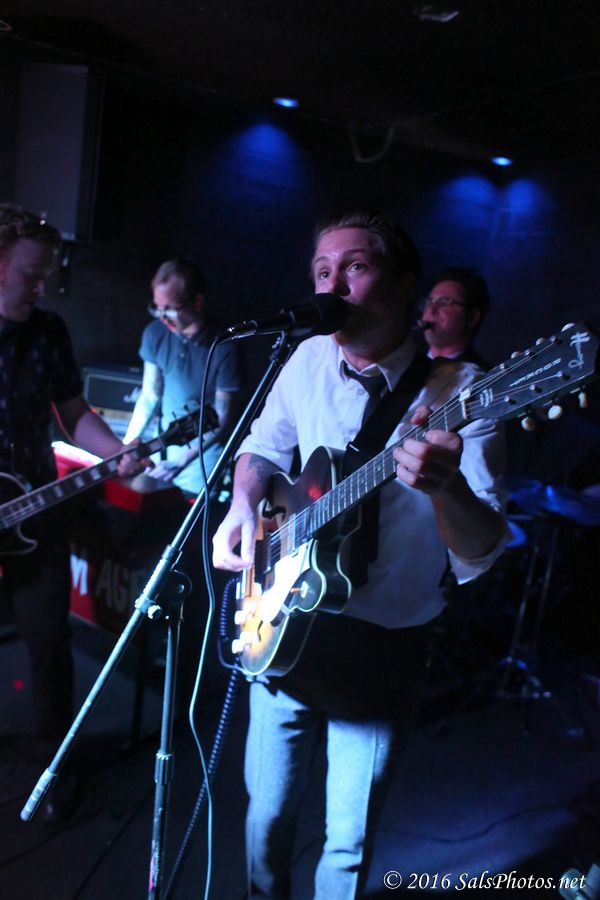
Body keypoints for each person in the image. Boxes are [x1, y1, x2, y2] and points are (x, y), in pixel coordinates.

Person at [212, 211, 509, 899]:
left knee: (345, 848)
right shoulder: (307, 358)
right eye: (322, 271)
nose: (332, 284)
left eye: (355, 266)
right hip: (281, 621)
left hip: (381, 648)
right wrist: (242, 505)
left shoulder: (462, 392)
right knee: (265, 822)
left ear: (405, 286)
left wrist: (447, 487)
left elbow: (482, 551)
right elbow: (261, 447)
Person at [0, 204, 143, 821]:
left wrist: (117, 452)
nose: (43, 285)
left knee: (49, 643)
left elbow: (74, 412)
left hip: (35, 509)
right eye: (31, 273)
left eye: (46, 274)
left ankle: (50, 769)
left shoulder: (49, 331)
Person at [124, 257, 242, 495]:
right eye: (157, 308)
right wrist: (125, 447)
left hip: (200, 468)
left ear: (197, 302)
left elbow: (222, 417)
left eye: (170, 309)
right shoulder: (155, 333)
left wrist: (182, 461)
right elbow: (149, 395)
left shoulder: (225, 347)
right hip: (160, 456)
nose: (162, 317)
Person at [418, 266, 490, 368]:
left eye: (444, 302)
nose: (431, 310)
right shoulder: (408, 363)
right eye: (429, 301)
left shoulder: (481, 374)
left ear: (472, 317)